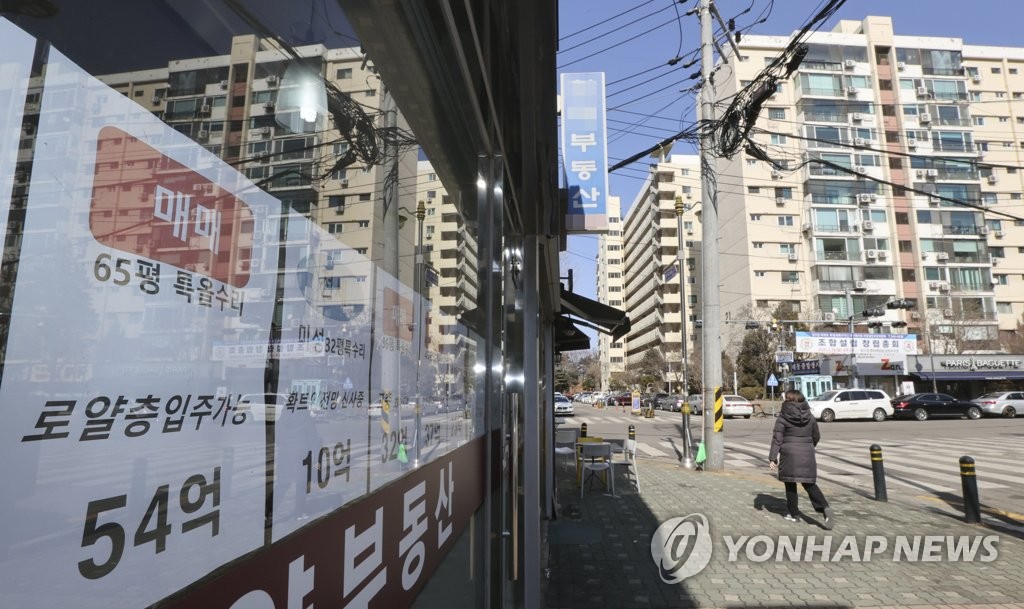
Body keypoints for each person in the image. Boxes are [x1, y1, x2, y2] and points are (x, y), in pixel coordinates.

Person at [768, 389, 834, 529]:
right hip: (807, 453)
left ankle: (794, 515)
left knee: (790, 484)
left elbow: (777, 439)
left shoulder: (783, 417)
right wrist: (809, 446)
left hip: (789, 454)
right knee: (809, 484)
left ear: (788, 400)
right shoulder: (809, 417)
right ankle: (824, 508)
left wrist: (773, 458)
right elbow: (816, 436)